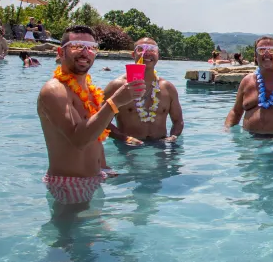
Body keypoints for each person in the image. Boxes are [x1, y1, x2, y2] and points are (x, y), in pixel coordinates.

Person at [37, 26, 145, 208]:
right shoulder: (54, 91)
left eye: (91, 47)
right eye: (76, 46)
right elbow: (78, 139)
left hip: (96, 177)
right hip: (69, 185)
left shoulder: (88, 89)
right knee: (69, 237)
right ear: (60, 52)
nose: (84, 52)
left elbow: (96, 133)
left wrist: (104, 166)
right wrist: (114, 103)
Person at [103, 38, 184, 145]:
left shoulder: (168, 88)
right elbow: (101, 121)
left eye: (152, 50)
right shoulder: (117, 86)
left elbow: (178, 121)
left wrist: (173, 137)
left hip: (160, 148)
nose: (147, 53)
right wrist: (124, 138)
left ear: (158, 55)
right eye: (141, 49)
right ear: (133, 55)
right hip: (127, 150)